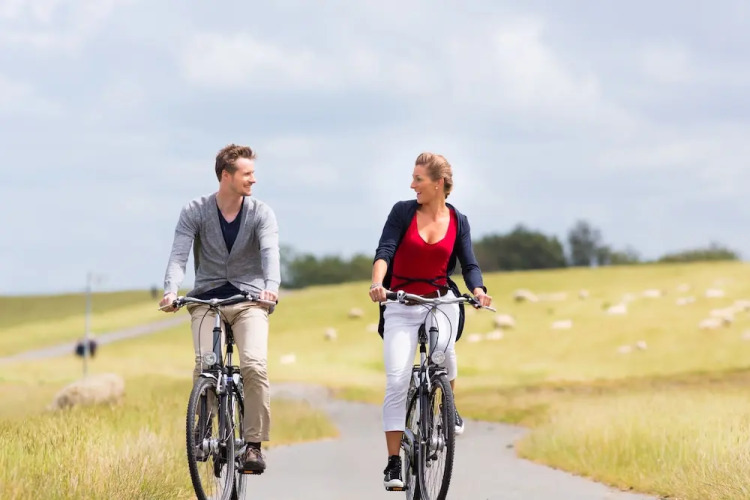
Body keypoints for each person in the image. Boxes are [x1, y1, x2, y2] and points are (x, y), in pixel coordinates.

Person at [369, 152, 492, 489]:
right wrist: (378, 284)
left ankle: (446, 409)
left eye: (418, 179)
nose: (412, 185)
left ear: (438, 183)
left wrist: (478, 291)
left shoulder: (459, 220)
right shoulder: (402, 212)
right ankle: (394, 463)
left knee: (444, 353)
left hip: (440, 300)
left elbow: (469, 264)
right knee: (397, 380)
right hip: (400, 302)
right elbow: (384, 251)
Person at [159, 143, 280, 473]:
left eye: (253, 173)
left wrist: (271, 287)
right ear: (226, 176)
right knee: (205, 364)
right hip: (206, 301)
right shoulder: (195, 211)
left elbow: (270, 253)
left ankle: (253, 445)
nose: (253, 179)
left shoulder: (261, 213)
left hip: (249, 302)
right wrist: (171, 291)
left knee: (254, 365)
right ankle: (204, 425)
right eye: (247, 174)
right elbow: (179, 256)